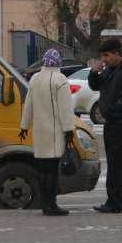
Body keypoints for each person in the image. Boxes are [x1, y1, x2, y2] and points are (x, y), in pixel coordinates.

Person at [87, 37, 122, 213]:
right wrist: (93, 72)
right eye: (103, 55)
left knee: (115, 161)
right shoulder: (110, 69)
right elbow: (95, 86)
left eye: (107, 55)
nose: (104, 59)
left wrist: (112, 108)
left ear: (118, 54)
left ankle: (114, 202)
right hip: (111, 120)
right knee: (117, 161)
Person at [18, 48, 74, 216]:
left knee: (42, 170)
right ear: (58, 63)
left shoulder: (35, 79)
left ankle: (44, 203)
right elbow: (65, 109)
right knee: (52, 170)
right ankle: (51, 204)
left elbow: (28, 105)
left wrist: (24, 126)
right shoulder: (60, 80)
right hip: (55, 132)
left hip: (39, 132)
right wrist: (69, 130)